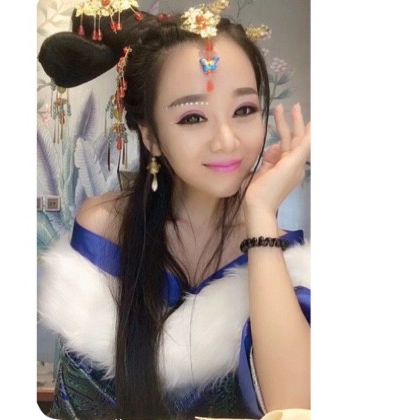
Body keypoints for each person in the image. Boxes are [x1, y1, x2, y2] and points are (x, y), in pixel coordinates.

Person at [38, 1, 311, 419]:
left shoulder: (279, 254)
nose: (227, 141)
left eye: (244, 110)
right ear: (151, 136)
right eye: (193, 118)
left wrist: (260, 214)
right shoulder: (104, 227)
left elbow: (294, 406)